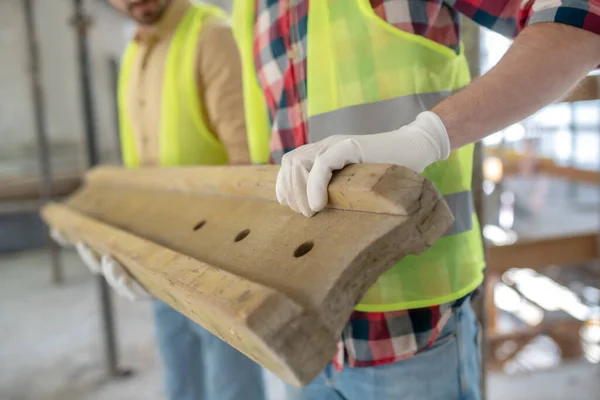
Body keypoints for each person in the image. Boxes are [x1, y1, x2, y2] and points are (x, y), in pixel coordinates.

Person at [231, 1, 600, 399]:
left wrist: (428, 136)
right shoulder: (251, 9)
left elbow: (583, 22)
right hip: (302, 330)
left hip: (412, 327)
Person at [52, 1, 266, 399]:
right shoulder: (135, 47)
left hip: (218, 260)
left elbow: (248, 166)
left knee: (230, 385)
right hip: (159, 251)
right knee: (181, 382)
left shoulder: (212, 37)